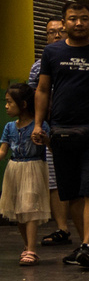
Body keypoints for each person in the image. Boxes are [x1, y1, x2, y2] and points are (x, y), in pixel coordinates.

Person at [33, 0, 89, 270]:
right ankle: (88, 244)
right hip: (60, 132)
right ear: (64, 23)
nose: (78, 23)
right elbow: (42, 90)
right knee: (70, 194)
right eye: (73, 19)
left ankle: (88, 245)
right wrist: (38, 125)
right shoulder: (52, 52)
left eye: (84, 18)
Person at [28, 18, 73, 246]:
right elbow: (32, 96)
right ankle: (62, 228)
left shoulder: (76, 61)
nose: (55, 36)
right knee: (54, 179)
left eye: (59, 32)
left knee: (77, 178)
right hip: (48, 129)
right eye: (50, 33)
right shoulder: (39, 66)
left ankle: (87, 220)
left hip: (75, 127)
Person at [1, 84, 50, 265]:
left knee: (29, 208)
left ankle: (31, 249)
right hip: (14, 169)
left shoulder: (40, 126)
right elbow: (3, 151)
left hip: (33, 167)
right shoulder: (9, 127)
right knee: (18, 211)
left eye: (9, 102)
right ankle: (27, 245)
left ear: (22, 104)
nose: (6, 106)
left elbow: (51, 147)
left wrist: (45, 140)